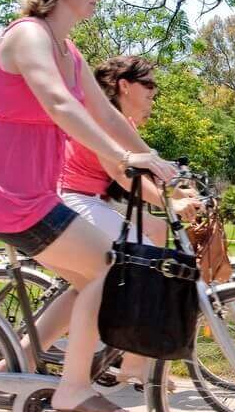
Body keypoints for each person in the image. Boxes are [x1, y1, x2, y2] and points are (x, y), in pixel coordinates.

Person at [0, 0, 176, 412]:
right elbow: (60, 105)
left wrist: (152, 158)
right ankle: (72, 389)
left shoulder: (68, 52)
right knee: (111, 267)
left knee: (87, 279)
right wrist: (122, 155)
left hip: (32, 195)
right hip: (3, 194)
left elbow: (102, 112)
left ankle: (14, 367)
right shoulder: (27, 37)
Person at [59, 54, 199, 386]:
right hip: (73, 199)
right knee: (144, 265)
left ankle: (22, 356)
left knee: (143, 247)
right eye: (148, 87)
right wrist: (173, 201)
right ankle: (133, 362)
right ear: (124, 86)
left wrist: (179, 189)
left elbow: (149, 168)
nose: (153, 94)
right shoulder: (104, 119)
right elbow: (122, 175)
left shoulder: (123, 124)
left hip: (88, 201)